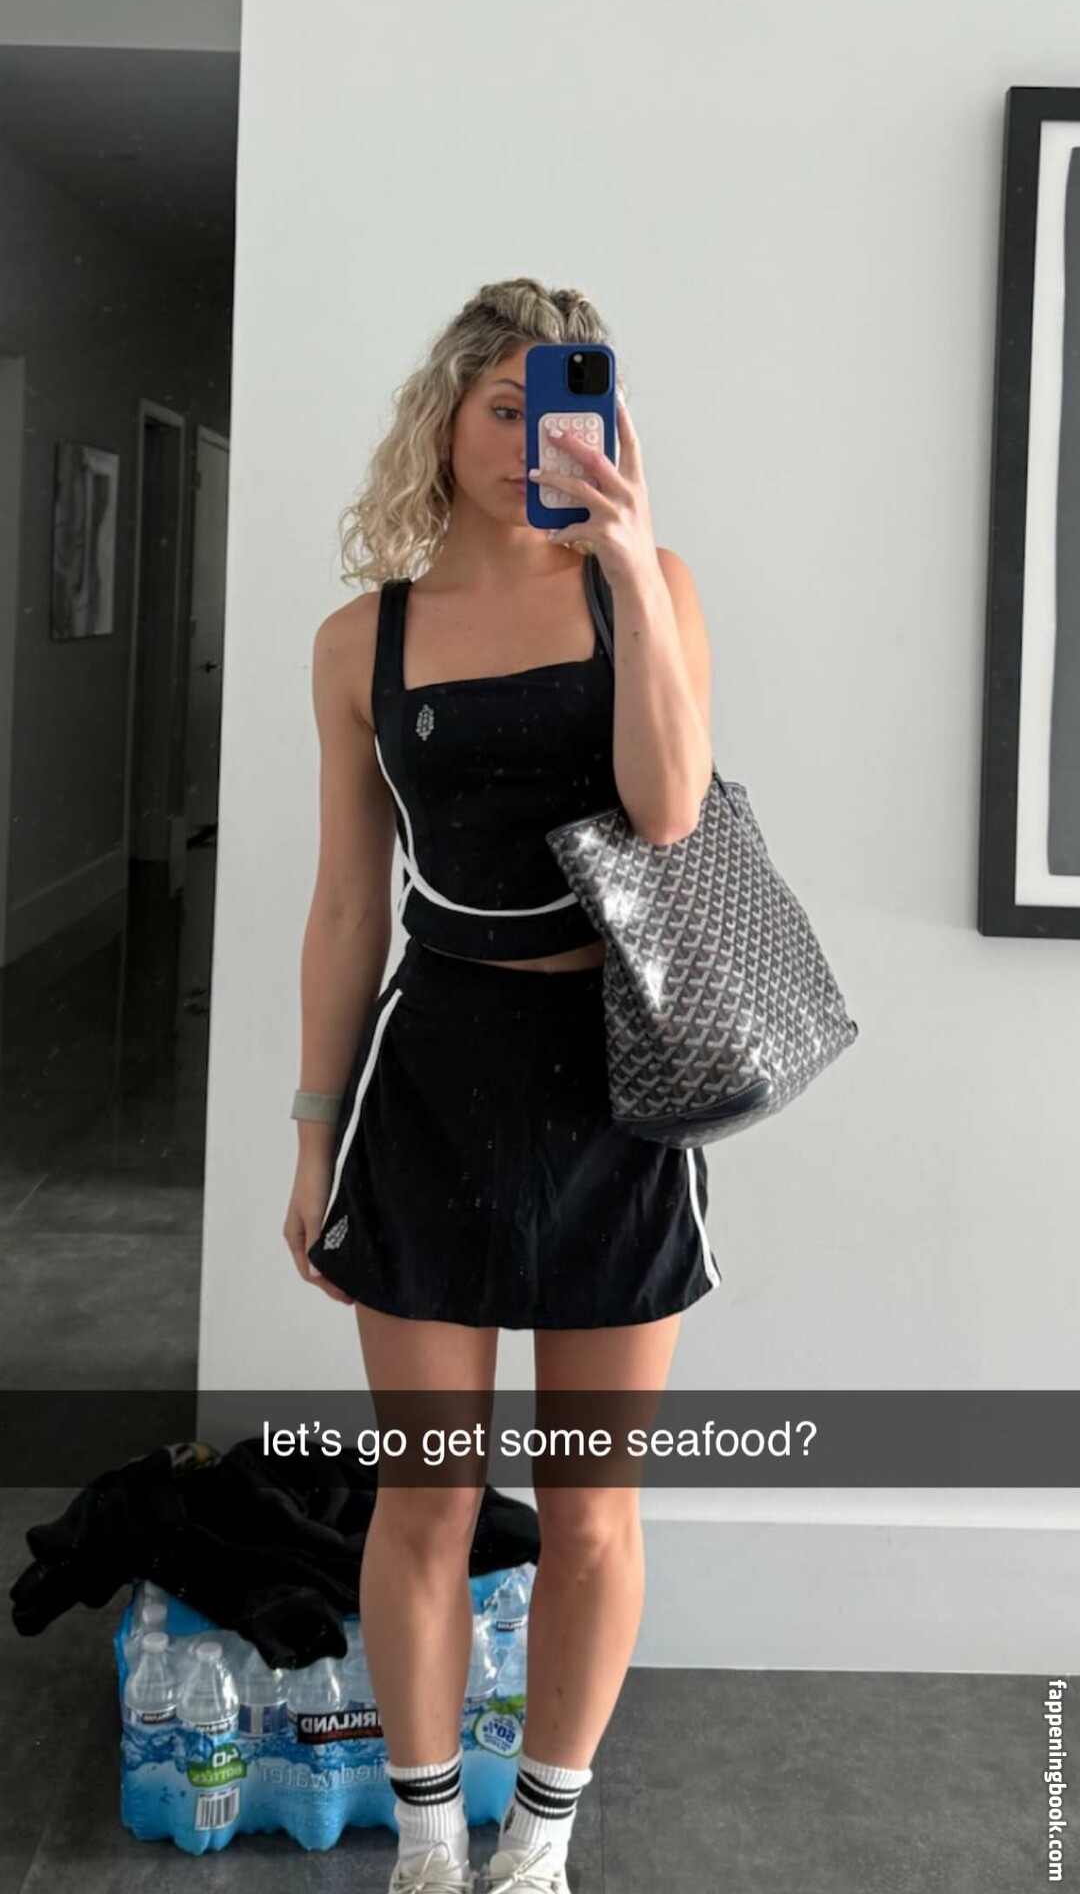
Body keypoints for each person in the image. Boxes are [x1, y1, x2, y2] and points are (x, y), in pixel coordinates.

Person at [282, 277, 722, 1894]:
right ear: (448, 419)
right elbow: (349, 904)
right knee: (428, 1496)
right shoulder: (363, 638)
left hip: (619, 1079)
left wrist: (631, 562)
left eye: (566, 407)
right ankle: (423, 1840)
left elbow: (669, 816)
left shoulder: (648, 586)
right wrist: (313, 1137)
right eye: (504, 407)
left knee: (592, 1509)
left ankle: (537, 1844)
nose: (536, 436)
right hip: (435, 1075)